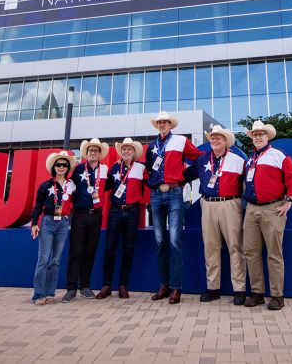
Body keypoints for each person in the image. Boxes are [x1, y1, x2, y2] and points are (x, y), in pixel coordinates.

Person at [241, 120, 292, 310]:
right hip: (251, 208)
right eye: (255, 135)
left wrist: (290, 201)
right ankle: (257, 293)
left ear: (268, 136)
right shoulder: (250, 159)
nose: (258, 137)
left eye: (261, 134)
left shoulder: (278, 155)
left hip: (272, 208)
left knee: (274, 254)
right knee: (251, 252)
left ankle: (277, 295)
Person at [145, 111, 201, 304]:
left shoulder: (180, 141)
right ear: (157, 125)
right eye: (160, 122)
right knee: (160, 240)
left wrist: (185, 176)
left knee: (175, 240)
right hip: (156, 195)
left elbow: (199, 158)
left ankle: (176, 288)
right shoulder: (152, 145)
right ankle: (163, 285)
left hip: (175, 192)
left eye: (165, 122)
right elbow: (149, 168)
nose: (162, 124)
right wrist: (152, 183)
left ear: (170, 125)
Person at [188, 125, 247, 305]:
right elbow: (183, 175)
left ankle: (240, 290)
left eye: (218, 138)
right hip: (207, 205)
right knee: (210, 248)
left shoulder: (238, 160)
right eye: (212, 137)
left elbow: (250, 183)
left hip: (230, 204)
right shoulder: (202, 160)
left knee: (235, 247)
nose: (214, 140)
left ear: (226, 141)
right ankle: (212, 288)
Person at [96, 138, 146, 300]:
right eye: (123, 149)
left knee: (128, 249)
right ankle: (106, 285)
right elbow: (105, 186)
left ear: (134, 152)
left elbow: (151, 183)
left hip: (132, 212)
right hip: (115, 211)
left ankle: (123, 285)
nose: (126, 152)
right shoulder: (114, 168)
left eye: (129, 149)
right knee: (110, 248)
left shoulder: (141, 168)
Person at [63, 138, 109, 301]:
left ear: (99, 154)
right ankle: (71, 288)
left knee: (90, 251)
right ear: (86, 153)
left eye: (95, 151)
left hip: (96, 215)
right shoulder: (77, 169)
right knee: (76, 251)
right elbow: (69, 187)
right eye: (90, 151)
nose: (93, 153)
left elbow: (107, 187)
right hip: (80, 214)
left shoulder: (105, 170)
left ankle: (85, 286)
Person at [30, 151, 76, 305]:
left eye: (64, 164)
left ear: (68, 167)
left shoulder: (72, 185)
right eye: (59, 164)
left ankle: (50, 292)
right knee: (43, 259)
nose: (61, 167)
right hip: (48, 222)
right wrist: (35, 224)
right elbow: (37, 206)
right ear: (54, 167)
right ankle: (38, 295)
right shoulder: (46, 185)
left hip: (63, 223)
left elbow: (74, 205)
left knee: (55, 260)